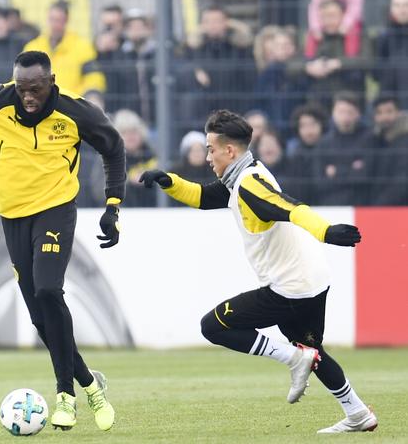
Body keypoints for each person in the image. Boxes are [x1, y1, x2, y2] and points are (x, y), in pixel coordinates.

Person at [138, 109, 377, 434]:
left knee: (214, 326)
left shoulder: (249, 185)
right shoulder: (244, 174)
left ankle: (294, 359)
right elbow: (206, 196)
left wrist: (326, 231)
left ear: (229, 150)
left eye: (211, 148)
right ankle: (358, 413)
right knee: (312, 351)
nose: (207, 156)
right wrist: (169, 181)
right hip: (311, 279)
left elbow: (292, 208)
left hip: (289, 287)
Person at [0, 50, 125, 431]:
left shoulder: (76, 112)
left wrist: (113, 204)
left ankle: (66, 396)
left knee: (48, 290)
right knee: (38, 315)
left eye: (36, 89)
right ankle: (91, 384)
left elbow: (113, 146)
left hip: (56, 209)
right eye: (22, 88)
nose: (28, 97)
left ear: (51, 82)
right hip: (12, 215)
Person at [23, 1, 105, 98]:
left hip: (71, 105)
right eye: (51, 19)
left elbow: (93, 77)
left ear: (66, 21)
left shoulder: (82, 46)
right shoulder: (33, 47)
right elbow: (20, 77)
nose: (54, 25)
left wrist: (90, 94)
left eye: (58, 20)